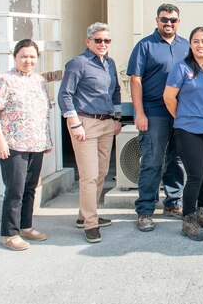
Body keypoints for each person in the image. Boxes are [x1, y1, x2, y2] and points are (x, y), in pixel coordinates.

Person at [0, 39, 53, 251]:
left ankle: (26, 226)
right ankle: (9, 234)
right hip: (13, 144)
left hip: (36, 143)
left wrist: (46, 141)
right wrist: (0, 141)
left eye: (32, 57)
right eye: (24, 56)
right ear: (15, 56)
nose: (28, 60)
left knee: (30, 188)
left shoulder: (39, 81)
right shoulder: (3, 80)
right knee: (15, 190)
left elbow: (43, 113)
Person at [58, 23, 122, 244]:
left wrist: (116, 118)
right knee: (89, 175)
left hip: (106, 124)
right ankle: (90, 224)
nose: (103, 44)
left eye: (106, 40)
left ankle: (83, 214)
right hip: (85, 123)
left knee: (102, 172)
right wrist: (74, 123)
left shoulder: (110, 64)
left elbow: (115, 92)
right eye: (98, 40)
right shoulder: (78, 63)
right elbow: (65, 95)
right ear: (88, 41)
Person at [127, 3, 189, 232]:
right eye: (164, 19)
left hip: (181, 112)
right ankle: (145, 210)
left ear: (178, 22)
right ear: (157, 20)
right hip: (154, 112)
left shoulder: (186, 46)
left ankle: (173, 203)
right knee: (153, 161)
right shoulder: (145, 46)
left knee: (176, 159)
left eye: (173, 20)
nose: (168, 23)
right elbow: (136, 80)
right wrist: (139, 113)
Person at [164, 27, 203, 241]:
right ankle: (188, 220)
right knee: (195, 175)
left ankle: (202, 212)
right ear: (190, 44)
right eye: (196, 41)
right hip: (188, 130)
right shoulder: (181, 68)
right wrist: (184, 117)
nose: (200, 45)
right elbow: (169, 98)